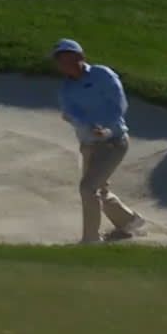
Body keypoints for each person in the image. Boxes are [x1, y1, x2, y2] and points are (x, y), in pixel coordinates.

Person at [50, 39, 148, 244]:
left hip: (114, 142)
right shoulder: (66, 89)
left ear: (78, 57)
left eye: (64, 58)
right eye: (57, 60)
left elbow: (118, 103)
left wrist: (104, 126)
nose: (60, 64)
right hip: (88, 146)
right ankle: (129, 222)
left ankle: (91, 240)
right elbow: (70, 113)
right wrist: (87, 123)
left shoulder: (102, 75)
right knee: (99, 190)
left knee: (87, 188)